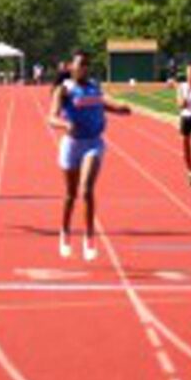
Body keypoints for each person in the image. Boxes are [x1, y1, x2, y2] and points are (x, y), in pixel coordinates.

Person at [49, 51, 131, 261]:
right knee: (70, 195)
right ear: (71, 67)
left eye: (86, 65)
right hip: (71, 145)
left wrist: (120, 108)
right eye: (79, 65)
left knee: (86, 190)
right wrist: (66, 124)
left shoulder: (94, 86)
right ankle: (65, 232)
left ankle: (89, 237)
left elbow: (104, 103)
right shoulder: (64, 89)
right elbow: (51, 117)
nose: (83, 68)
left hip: (93, 143)